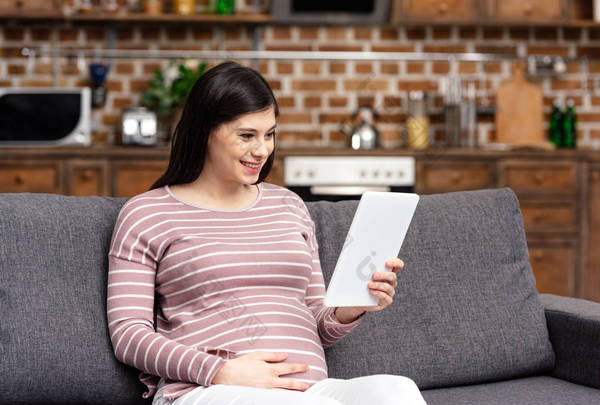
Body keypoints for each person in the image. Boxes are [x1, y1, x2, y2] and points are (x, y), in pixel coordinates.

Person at [106, 61, 427, 405]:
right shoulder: (147, 214)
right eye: (246, 135)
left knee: (397, 390)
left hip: (310, 390)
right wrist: (219, 371)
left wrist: (348, 308)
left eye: (269, 134)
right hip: (209, 390)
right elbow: (128, 335)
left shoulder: (289, 206)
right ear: (204, 132)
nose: (262, 150)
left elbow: (317, 319)